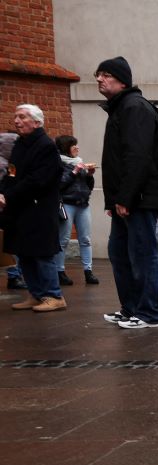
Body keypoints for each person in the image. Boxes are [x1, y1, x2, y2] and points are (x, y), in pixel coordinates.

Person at [96, 56, 158, 328]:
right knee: (120, 253)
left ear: (122, 79)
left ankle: (152, 313)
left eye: (105, 75)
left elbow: (137, 157)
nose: (99, 80)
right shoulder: (120, 108)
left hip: (140, 197)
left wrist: (125, 198)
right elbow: (116, 161)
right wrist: (112, 200)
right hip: (128, 198)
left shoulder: (134, 107)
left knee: (142, 254)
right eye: (98, 75)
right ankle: (131, 309)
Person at [0, 104, 66, 312]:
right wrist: (3, 192)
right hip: (21, 208)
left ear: (36, 122)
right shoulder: (21, 144)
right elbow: (12, 173)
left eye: (22, 117)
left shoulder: (45, 146)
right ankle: (36, 294)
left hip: (39, 209)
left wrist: (9, 194)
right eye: (16, 117)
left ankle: (54, 295)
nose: (17, 121)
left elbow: (37, 180)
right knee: (24, 252)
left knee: (41, 253)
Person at [54, 135, 99, 285]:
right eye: (74, 145)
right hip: (67, 204)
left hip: (83, 205)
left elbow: (88, 187)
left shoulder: (79, 162)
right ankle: (60, 272)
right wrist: (74, 172)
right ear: (66, 147)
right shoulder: (58, 163)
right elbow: (59, 185)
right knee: (64, 240)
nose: (77, 148)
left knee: (85, 239)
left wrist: (90, 176)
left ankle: (88, 271)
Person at [0, 131, 27, 291]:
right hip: (4, 210)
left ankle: (15, 275)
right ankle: (14, 276)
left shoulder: (11, 165)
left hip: (9, 210)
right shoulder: (4, 165)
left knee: (12, 243)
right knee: (10, 243)